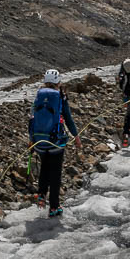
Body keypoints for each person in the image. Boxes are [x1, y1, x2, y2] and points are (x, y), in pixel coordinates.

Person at [28, 68, 79, 218]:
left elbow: (32, 117)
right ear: (58, 81)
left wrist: (31, 140)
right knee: (55, 173)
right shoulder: (60, 96)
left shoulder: (39, 95)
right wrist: (76, 137)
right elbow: (68, 119)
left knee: (44, 167)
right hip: (56, 141)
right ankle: (54, 207)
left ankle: (41, 194)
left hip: (39, 141)